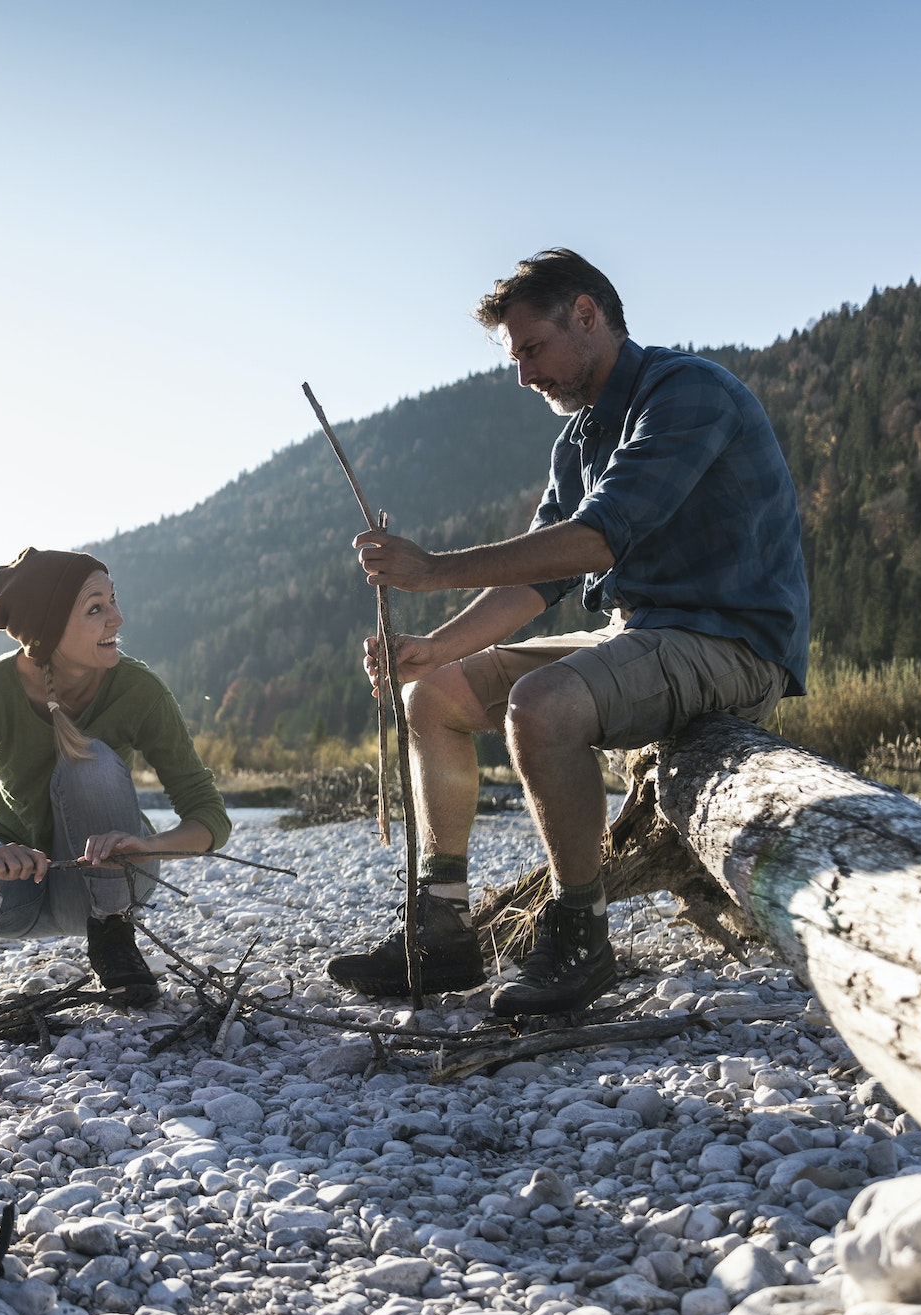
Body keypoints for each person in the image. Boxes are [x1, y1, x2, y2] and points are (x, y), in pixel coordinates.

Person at [327, 249, 809, 1016]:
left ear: (586, 316)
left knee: (541, 705)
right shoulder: (577, 442)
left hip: (733, 642)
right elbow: (537, 579)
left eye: (532, 349)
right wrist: (435, 649)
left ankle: (580, 932)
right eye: (514, 358)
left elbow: (596, 540)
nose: (524, 375)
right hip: (639, 633)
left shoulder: (687, 394)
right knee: (434, 695)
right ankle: (443, 928)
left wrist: (432, 569)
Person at [0, 547, 231, 1008]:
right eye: (96, 608)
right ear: (49, 629)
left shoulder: (140, 690)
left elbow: (209, 816)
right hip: (16, 890)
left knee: (92, 761)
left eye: (113, 600)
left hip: (109, 882)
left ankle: (112, 933)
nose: (117, 618)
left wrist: (145, 847)